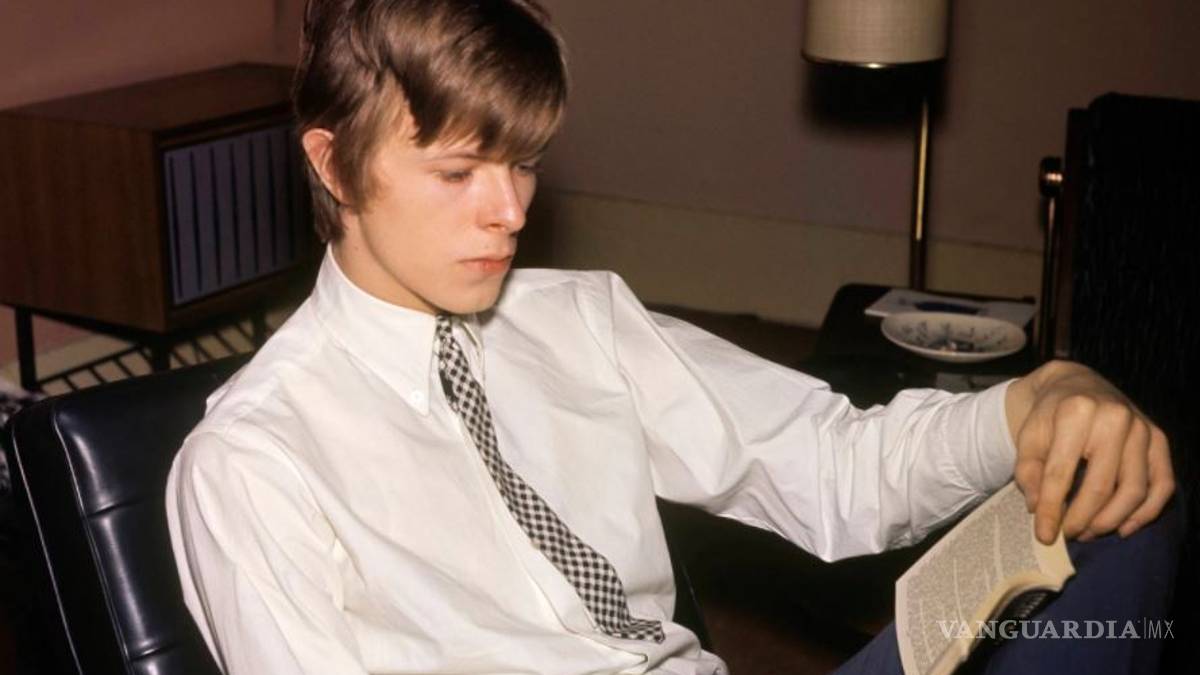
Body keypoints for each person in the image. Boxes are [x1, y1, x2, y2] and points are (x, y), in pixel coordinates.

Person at [164, 1, 1178, 673]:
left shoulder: (582, 320)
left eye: (524, 164)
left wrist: (1034, 402)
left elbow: (836, 468)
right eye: (459, 172)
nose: (509, 212)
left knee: (1129, 513)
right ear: (334, 165)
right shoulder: (255, 461)